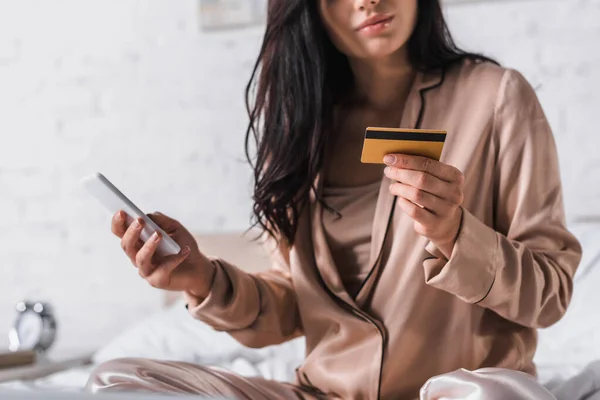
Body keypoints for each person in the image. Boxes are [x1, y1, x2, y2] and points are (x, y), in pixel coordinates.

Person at [85, 0, 582, 399]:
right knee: (113, 380)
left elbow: (551, 294)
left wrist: (457, 237)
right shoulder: (304, 127)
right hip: (322, 393)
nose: (367, 2)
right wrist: (203, 278)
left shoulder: (496, 97)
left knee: (495, 395)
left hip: (458, 391)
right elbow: (293, 303)